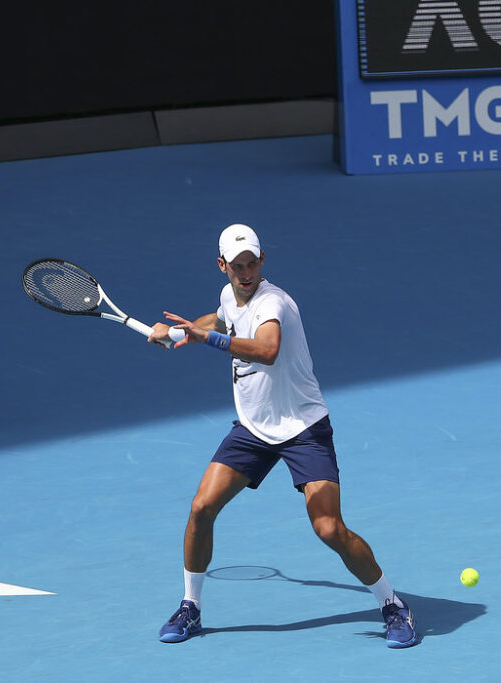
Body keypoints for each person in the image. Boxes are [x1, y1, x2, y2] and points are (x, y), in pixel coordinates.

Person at [148, 223, 417, 648]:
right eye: (237, 266)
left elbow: (268, 349)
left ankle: (393, 605)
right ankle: (190, 606)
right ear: (222, 266)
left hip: (302, 428)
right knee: (201, 507)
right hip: (254, 428)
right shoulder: (229, 295)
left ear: (262, 260)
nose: (246, 272)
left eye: (251, 263)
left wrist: (208, 339)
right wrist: (180, 333)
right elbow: (219, 318)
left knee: (329, 528)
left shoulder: (273, 302)